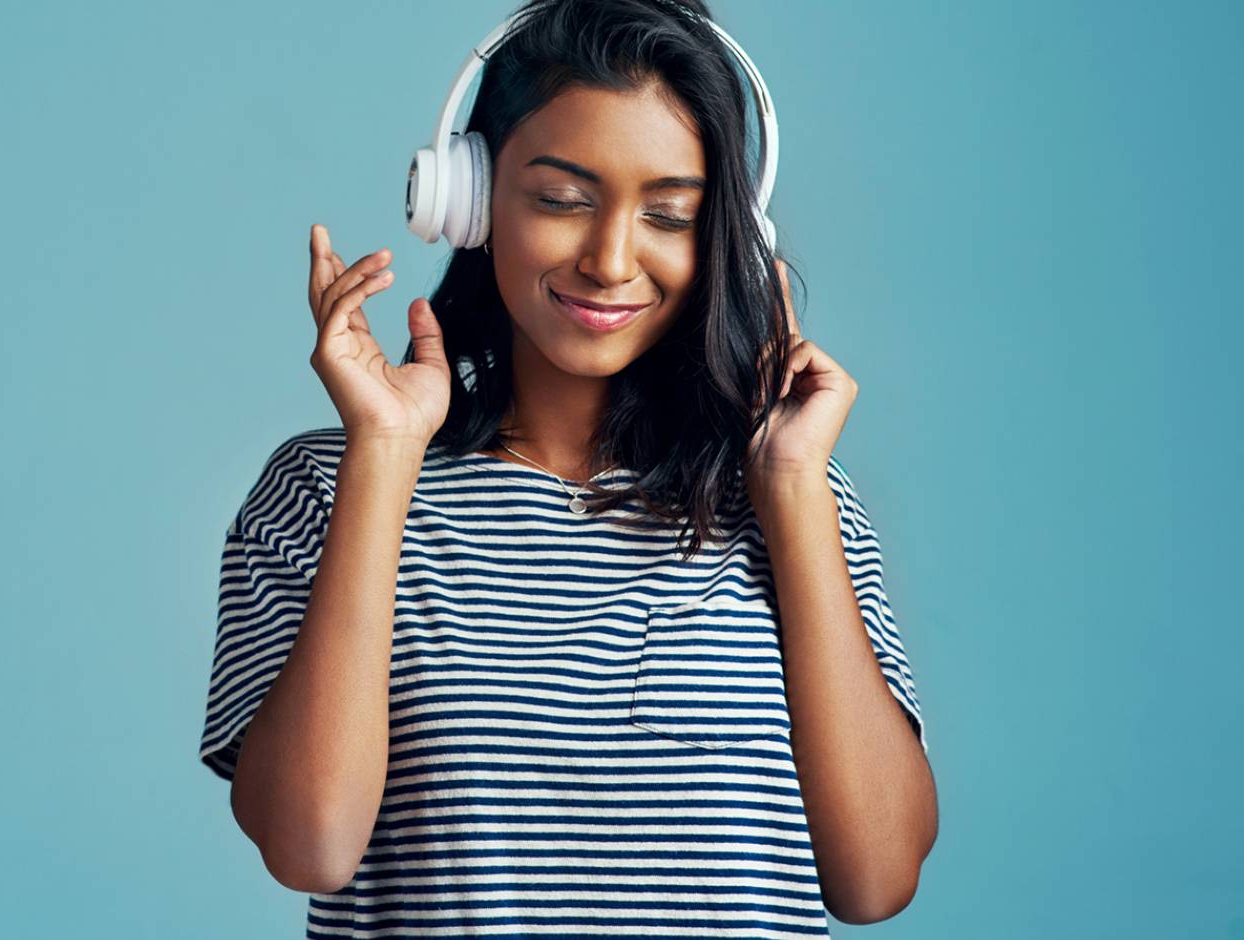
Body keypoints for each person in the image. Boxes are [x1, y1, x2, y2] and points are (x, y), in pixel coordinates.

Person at [199, 0, 937, 935]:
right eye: (561, 199)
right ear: (468, 199)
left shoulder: (797, 494)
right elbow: (308, 846)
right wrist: (385, 459)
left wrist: (790, 489)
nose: (612, 259)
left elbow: (877, 882)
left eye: (669, 214)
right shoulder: (324, 489)